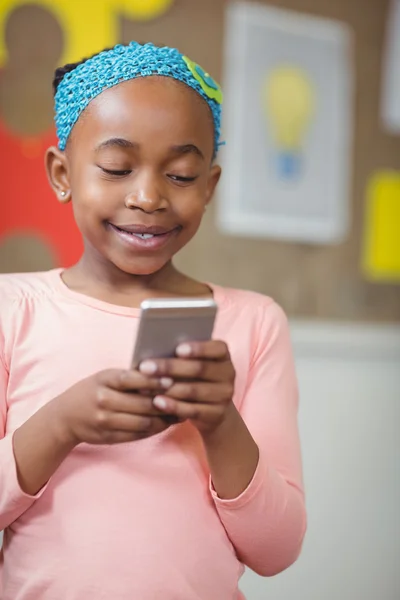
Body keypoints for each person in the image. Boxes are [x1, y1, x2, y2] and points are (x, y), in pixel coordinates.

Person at [0, 42, 306, 599]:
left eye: (182, 175)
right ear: (62, 173)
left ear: (209, 187)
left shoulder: (254, 323)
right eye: (117, 168)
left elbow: (277, 551)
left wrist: (220, 423)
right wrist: (61, 424)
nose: (148, 197)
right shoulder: (12, 310)